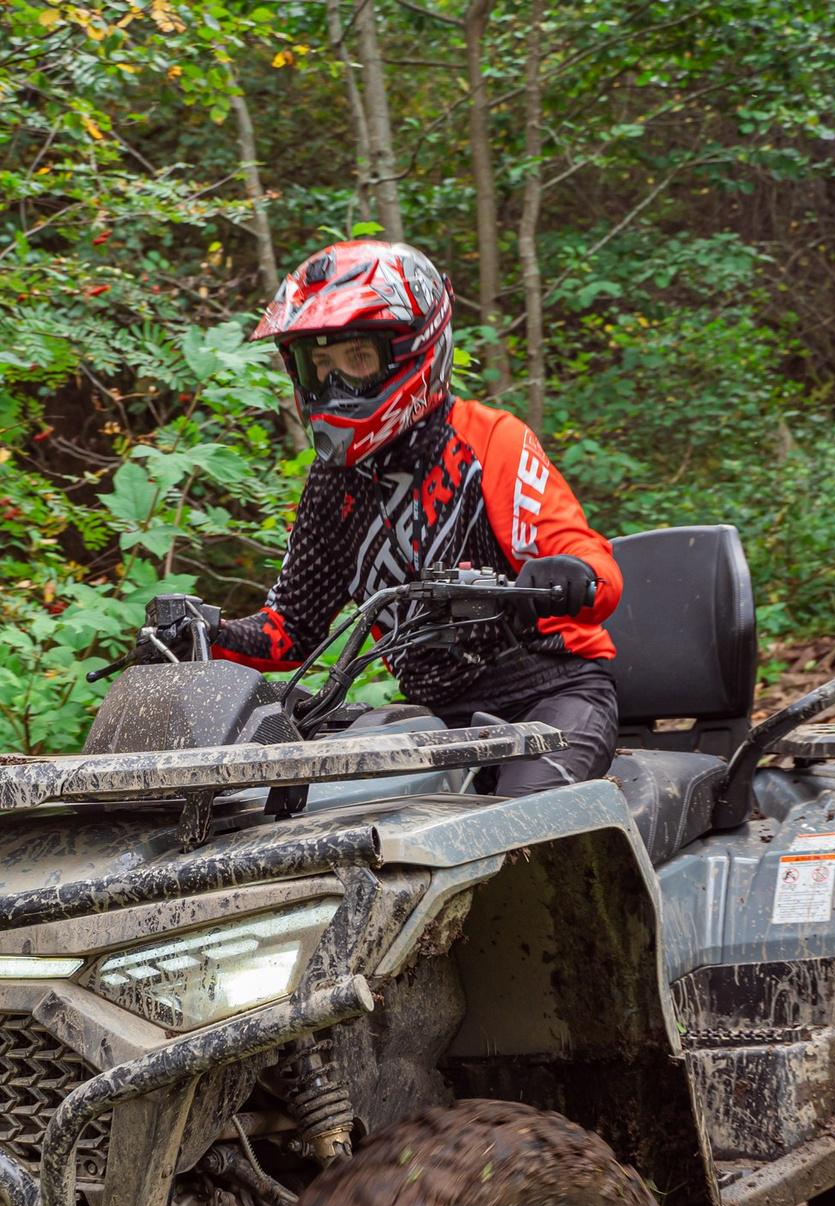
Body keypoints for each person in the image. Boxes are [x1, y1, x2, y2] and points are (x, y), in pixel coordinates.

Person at [202, 239, 623, 797]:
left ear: (412, 350)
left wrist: (569, 576)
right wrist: (206, 638)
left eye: (355, 360)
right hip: (434, 718)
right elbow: (289, 633)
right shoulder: (332, 490)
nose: (334, 385)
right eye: (318, 364)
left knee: (516, 834)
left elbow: (594, 567)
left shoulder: (489, 442)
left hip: (550, 695)